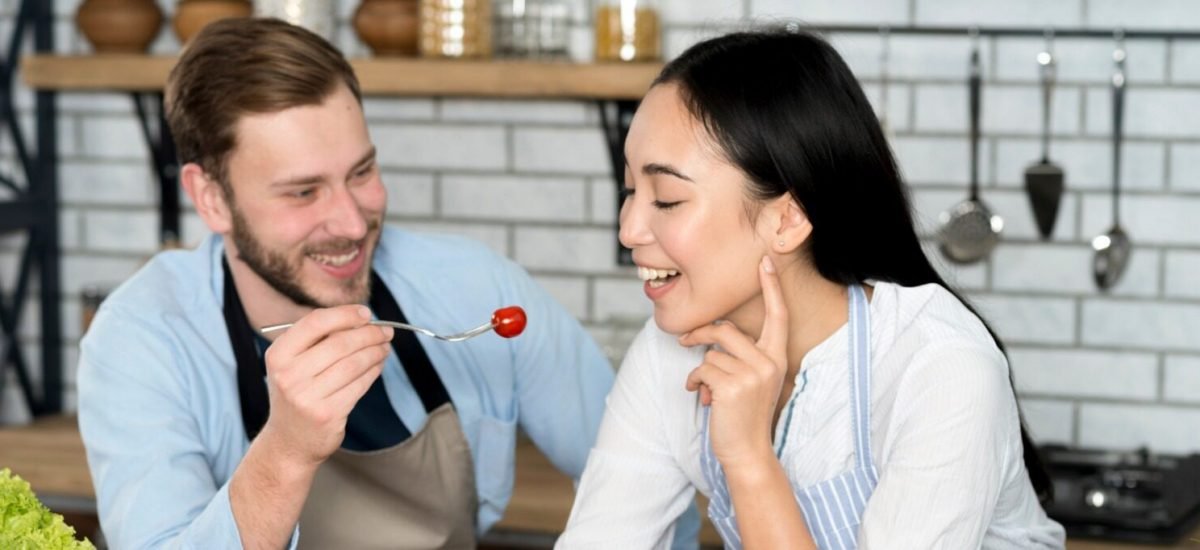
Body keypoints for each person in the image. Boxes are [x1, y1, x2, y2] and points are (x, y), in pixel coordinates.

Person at [77, 18, 701, 549]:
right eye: (303, 192)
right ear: (209, 199)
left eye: (363, 171)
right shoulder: (140, 341)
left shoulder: (473, 289)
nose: (352, 223)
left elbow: (647, 473)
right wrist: (286, 453)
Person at [556, 28, 1066, 549]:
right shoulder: (673, 352)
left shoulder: (940, 367)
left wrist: (750, 459)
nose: (628, 230)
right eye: (629, 191)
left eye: (665, 199)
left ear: (788, 219)